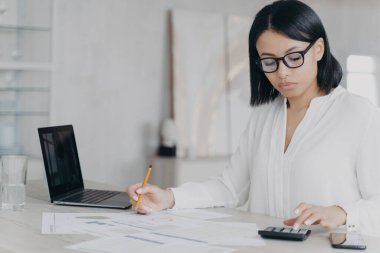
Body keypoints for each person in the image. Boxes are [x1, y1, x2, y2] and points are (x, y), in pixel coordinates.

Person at [127, 0, 380, 236]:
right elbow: (229, 188)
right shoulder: (263, 116)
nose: (282, 73)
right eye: (269, 62)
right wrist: (168, 197)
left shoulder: (358, 114)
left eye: (293, 58)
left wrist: (342, 213)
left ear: (318, 50)